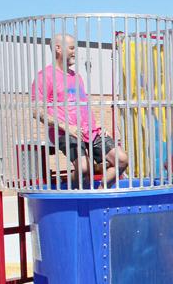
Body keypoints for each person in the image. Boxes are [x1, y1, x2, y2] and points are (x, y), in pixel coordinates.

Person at [31, 34, 128, 187]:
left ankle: (100, 192)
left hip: (90, 131)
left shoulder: (77, 77)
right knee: (83, 168)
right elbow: (37, 112)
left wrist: (98, 128)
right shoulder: (45, 76)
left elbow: (83, 107)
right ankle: (76, 196)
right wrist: (66, 127)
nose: (75, 52)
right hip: (65, 132)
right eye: (71, 48)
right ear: (58, 48)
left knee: (121, 159)